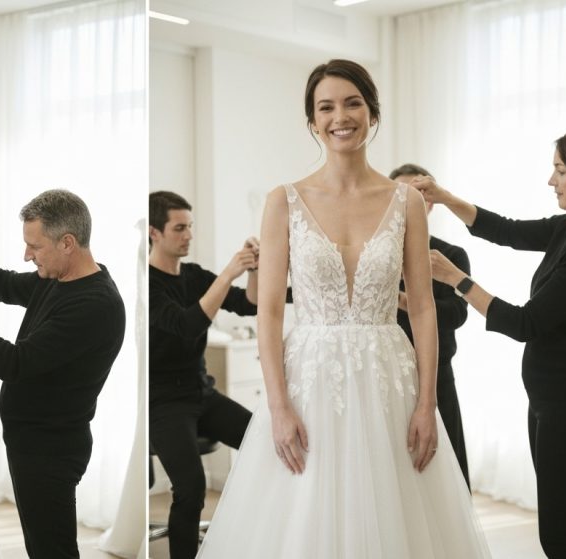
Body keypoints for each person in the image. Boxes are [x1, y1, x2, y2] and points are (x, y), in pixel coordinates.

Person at [195, 59, 490, 558]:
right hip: (309, 381)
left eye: (353, 103)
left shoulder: (406, 202)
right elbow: (269, 312)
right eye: (326, 107)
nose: (340, 117)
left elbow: (422, 309)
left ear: (372, 113)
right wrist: (278, 407)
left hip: (389, 379)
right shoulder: (283, 201)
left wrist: (426, 404)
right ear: (312, 121)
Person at [412, 124, 566, 558]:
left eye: (561, 171)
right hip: (548, 401)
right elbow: (506, 230)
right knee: (565, 530)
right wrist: (444, 197)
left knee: (558, 536)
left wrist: (456, 279)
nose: (551, 181)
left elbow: (526, 323)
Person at [0, 189, 126, 559]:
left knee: (53, 550)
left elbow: (14, 363)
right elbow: (7, 285)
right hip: (32, 441)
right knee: (41, 547)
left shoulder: (94, 305)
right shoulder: (59, 277)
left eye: (34, 247)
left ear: (67, 243)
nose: (26, 255)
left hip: (50, 449)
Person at [148, 190, 259, 559]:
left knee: (264, 442)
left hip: (201, 393)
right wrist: (228, 272)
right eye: (179, 228)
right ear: (154, 233)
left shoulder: (194, 276)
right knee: (191, 487)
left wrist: (254, 270)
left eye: (190, 226)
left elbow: (248, 304)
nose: (189, 235)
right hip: (163, 402)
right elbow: (186, 325)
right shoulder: (147, 285)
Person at [390, 163, 472, 488]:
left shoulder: (450, 254)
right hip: (387, 374)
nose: (408, 201)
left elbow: (458, 314)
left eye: (418, 194)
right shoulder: (374, 253)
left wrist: (403, 300)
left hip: (437, 375)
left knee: (446, 475)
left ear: (431, 203)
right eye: (400, 194)